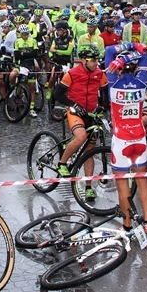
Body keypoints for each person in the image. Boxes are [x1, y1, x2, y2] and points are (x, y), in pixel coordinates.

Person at [104, 48, 147, 235]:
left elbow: (109, 50)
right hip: (139, 137)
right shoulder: (141, 81)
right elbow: (145, 53)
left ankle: (127, 225)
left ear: (118, 68)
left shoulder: (113, 82)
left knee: (122, 185)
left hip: (121, 140)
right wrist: (132, 54)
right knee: (143, 182)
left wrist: (121, 57)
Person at [52, 47, 109, 200]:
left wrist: (102, 107)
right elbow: (57, 94)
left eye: (97, 60)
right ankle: (62, 163)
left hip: (90, 113)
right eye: (93, 60)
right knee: (80, 137)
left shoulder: (100, 74)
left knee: (89, 151)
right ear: (84, 60)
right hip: (75, 112)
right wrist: (73, 104)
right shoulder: (72, 74)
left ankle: (88, 187)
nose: (96, 63)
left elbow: (105, 95)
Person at [10, 24, 41, 118]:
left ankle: (31, 108)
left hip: (30, 66)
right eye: (23, 34)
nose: (25, 36)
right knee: (12, 75)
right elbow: (17, 55)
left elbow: (36, 54)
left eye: (27, 34)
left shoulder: (33, 41)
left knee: (31, 88)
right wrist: (28, 54)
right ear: (20, 34)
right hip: (20, 65)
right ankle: (14, 89)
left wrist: (24, 54)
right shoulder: (17, 42)